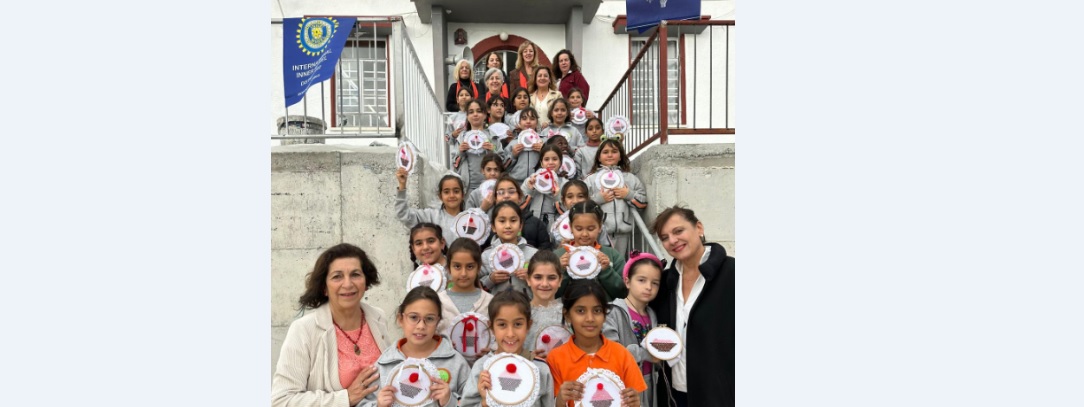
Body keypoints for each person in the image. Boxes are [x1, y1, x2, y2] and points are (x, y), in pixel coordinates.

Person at [272, 244, 391, 407]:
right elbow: (281, 400)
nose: (348, 284)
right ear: (324, 287)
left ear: (366, 281)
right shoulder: (304, 330)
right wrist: (346, 398)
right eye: (337, 277)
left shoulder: (378, 317)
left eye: (355, 274)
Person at [648, 206, 735, 407]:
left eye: (678, 231)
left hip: (719, 397)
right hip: (673, 396)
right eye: (665, 237)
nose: (673, 240)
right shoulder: (664, 282)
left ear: (699, 228)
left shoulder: (732, 273)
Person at [366, 286, 471, 407]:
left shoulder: (456, 363)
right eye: (413, 317)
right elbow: (364, 402)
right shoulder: (385, 363)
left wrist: (450, 401)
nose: (421, 326)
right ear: (400, 319)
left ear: (437, 321)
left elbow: (475, 401)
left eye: (429, 319)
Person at [547, 280, 646, 407]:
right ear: (567, 315)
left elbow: (635, 399)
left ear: (605, 314)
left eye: (597, 311)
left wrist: (635, 403)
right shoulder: (555, 359)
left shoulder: (622, 355)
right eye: (580, 311)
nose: (590, 318)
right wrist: (560, 400)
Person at [460, 291, 556, 407]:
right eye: (502, 325)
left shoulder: (540, 369)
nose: (510, 334)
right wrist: (485, 402)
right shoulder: (482, 368)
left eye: (518, 324)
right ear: (491, 327)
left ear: (528, 325)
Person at [603, 252, 664, 407]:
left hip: (649, 384)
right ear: (627, 281)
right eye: (641, 280)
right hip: (624, 387)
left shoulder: (652, 314)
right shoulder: (612, 312)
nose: (648, 287)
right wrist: (648, 354)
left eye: (655, 283)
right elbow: (612, 353)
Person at [553, 200, 626, 301]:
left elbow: (623, 293)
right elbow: (551, 294)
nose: (585, 234)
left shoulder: (612, 255)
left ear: (600, 227)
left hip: (606, 309)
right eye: (579, 229)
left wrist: (607, 271)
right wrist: (561, 271)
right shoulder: (557, 257)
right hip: (567, 309)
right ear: (570, 227)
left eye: (591, 229)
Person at [585, 140, 647, 255]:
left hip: (623, 234)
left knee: (619, 263)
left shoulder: (630, 178)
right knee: (601, 262)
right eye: (605, 152)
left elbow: (643, 202)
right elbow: (581, 202)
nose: (610, 155)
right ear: (599, 157)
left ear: (620, 156)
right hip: (598, 234)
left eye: (614, 151)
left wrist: (628, 194)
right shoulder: (591, 180)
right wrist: (598, 199)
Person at [437, 239, 495, 352]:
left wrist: (490, 352)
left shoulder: (490, 302)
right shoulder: (438, 302)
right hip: (447, 363)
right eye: (457, 266)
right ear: (448, 268)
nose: (463, 273)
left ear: (478, 268)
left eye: (470, 267)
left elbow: (497, 337)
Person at [480, 200, 538, 296]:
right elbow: (477, 284)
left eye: (513, 220)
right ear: (493, 227)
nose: (508, 226)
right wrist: (491, 280)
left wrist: (530, 277)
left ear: (520, 226)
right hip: (496, 304)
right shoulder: (486, 255)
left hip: (526, 303)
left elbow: (543, 282)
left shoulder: (534, 254)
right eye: (502, 221)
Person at [396, 171, 465, 248]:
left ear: (463, 195)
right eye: (446, 192)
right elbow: (404, 215)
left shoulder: (469, 219)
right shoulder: (431, 216)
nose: (451, 195)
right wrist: (402, 185)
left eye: (456, 191)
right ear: (440, 196)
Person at [452, 99, 503, 192]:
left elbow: (502, 162)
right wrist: (460, 152)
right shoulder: (461, 138)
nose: (475, 114)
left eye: (479, 111)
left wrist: (493, 151)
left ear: (485, 115)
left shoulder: (493, 137)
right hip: (468, 188)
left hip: (491, 186)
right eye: (471, 112)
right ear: (467, 116)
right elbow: (454, 164)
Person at [524, 250, 565, 356]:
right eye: (538, 277)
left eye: (551, 278)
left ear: (560, 280)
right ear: (528, 279)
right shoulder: (520, 313)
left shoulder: (569, 314)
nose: (545, 284)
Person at [523, 144, 568, 226]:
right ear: (541, 163)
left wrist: (557, 196)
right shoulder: (531, 180)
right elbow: (519, 203)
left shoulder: (565, 184)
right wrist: (530, 189)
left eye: (555, 159)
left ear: (560, 162)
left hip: (553, 224)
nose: (550, 162)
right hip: (532, 222)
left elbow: (567, 210)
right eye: (546, 159)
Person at [504, 107, 544, 185]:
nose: (528, 121)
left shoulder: (543, 141)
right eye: (524, 119)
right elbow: (504, 167)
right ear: (519, 122)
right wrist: (512, 155)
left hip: (538, 183)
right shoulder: (513, 143)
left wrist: (544, 150)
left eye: (532, 119)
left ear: (537, 122)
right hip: (516, 184)